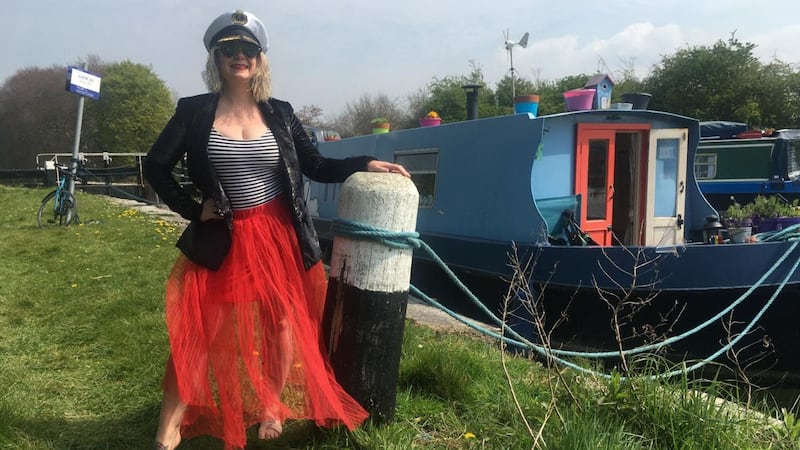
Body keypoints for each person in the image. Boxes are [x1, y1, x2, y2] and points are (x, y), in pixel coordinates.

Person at [143, 9, 410, 450]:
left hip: (279, 235)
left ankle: (271, 405)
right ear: (215, 56)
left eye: (248, 49)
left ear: (260, 59)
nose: (239, 56)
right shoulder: (193, 112)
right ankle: (167, 429)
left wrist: (363, 164)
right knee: (199, 332)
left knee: (280, 324)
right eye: (229, 49)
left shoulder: (281, 113)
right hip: (225, 237)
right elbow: (156, 165)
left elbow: (316, 164)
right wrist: (193, 209)